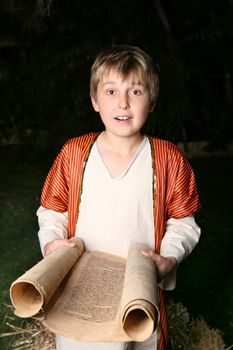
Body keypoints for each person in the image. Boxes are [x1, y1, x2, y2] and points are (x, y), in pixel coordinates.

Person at [37, 45, 201, 350]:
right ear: (94, 101)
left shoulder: (167, 158)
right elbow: (52, 211)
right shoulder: (74, 154)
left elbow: (183, 221)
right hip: (81, 287)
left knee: (140, 342)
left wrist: (168, 258)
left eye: (136, 91)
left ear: (152, 101)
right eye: (111, 91)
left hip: (137, 290)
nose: (123, 103)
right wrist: (52, 243)